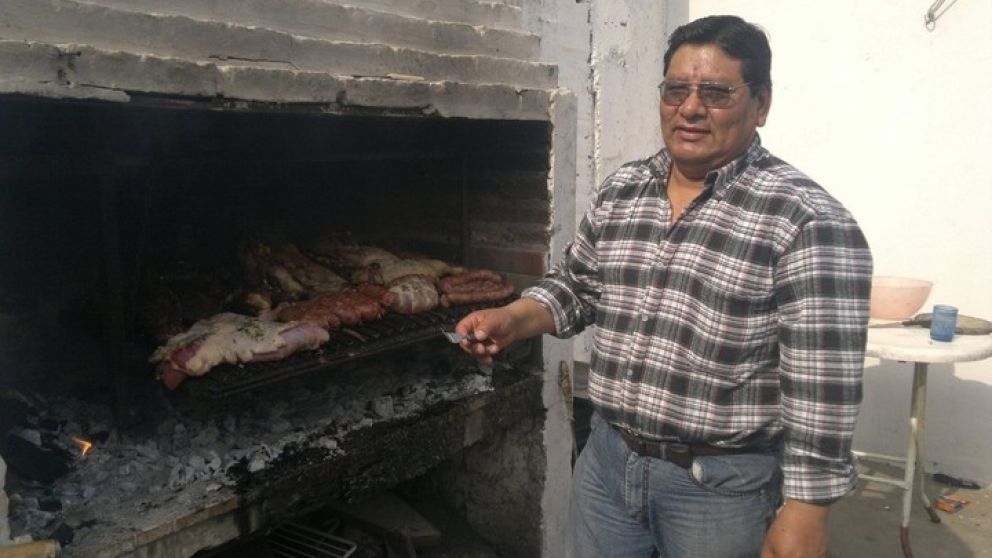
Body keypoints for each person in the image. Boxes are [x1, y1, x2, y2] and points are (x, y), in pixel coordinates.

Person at [455, 14, 873, 558]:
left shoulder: (806, 220)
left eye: (717, 93)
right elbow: (578, 287)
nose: (691, 108)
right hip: (607, 462)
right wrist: (515, 316)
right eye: (677, 90)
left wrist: (806, 512)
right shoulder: (625, 189)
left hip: (719, 488)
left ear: (761, 104)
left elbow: (823, 388)